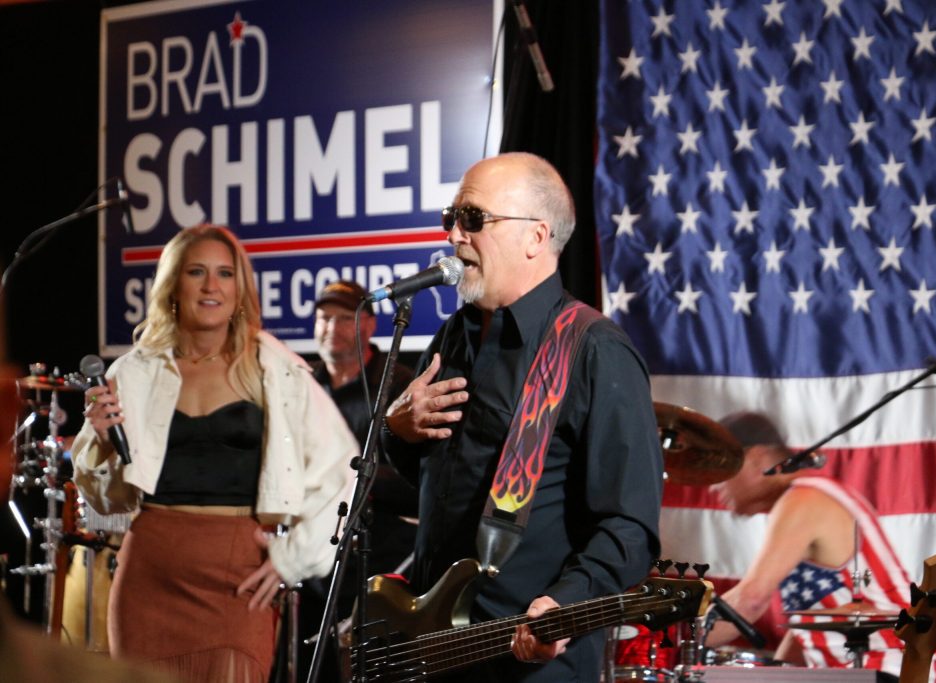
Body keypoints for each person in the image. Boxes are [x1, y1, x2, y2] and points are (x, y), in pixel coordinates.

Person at [382, 152, 664, 682]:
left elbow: (630, 526)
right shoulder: (453, 336)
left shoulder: (594, 349)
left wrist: (565, 603)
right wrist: (399, 432)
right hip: (431, 648)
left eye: (473, 219)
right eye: (452, 218)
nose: (454, 237)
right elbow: (431, 482)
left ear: (536, 237)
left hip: (526, 660)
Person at [72, 225, 358, 683]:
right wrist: (102, 445)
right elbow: (104, 501)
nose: (211, 286)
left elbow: (344, 469)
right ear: (173, 286)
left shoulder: (274, 366)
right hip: (149, 571)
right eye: (197, 272)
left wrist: (294, 559)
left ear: (239, 288)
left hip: (237, 577)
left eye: (225, 274)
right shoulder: (135, 370)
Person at [706, 412, 936, 682]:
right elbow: (807, 626)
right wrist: (776, 673)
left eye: (723, 469)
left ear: (757, 459)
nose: (713, 486)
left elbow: (750, 601)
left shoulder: (805, 499)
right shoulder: (812, 494)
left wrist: (670, 642)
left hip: (893, 670)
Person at [281, 279, 416, 682]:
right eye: (323, 318)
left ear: (369, 325)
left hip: (381, 564)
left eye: (344, 318)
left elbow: (420, 484)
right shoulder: (303, 386)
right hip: (310, 563)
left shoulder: (399, 384)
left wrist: (351, 480)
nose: (330, 328)